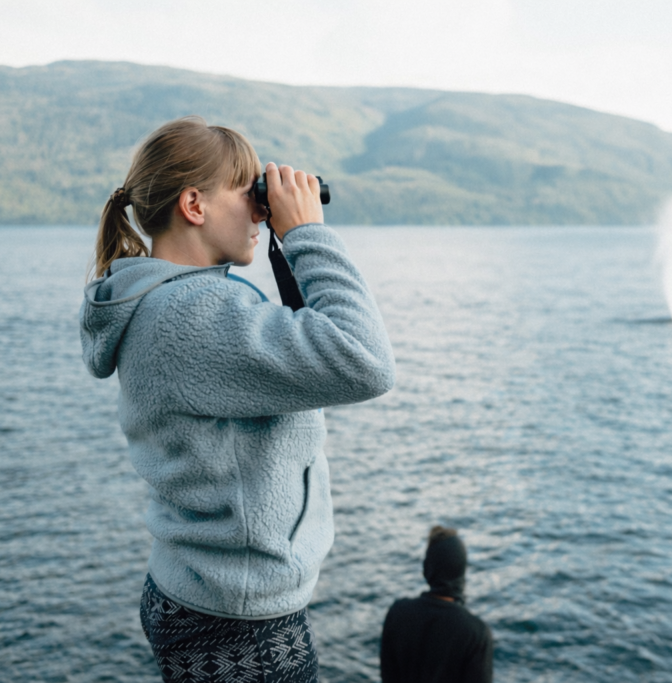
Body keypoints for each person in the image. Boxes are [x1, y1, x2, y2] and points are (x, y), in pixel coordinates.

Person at [79, 116, 395, 682]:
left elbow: (305, 351)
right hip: (237, 619)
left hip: (206, 591)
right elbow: (364, 360)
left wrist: (284, 243)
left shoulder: (174, 302)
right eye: (249, 192)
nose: (260, 209)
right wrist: (306, 233)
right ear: (194, 204)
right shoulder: (192, 313)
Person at [380, 527, 493, 683]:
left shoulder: (397, 613)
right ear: (460, 572)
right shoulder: (475, 634)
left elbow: (388, 677)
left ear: (427, 568)